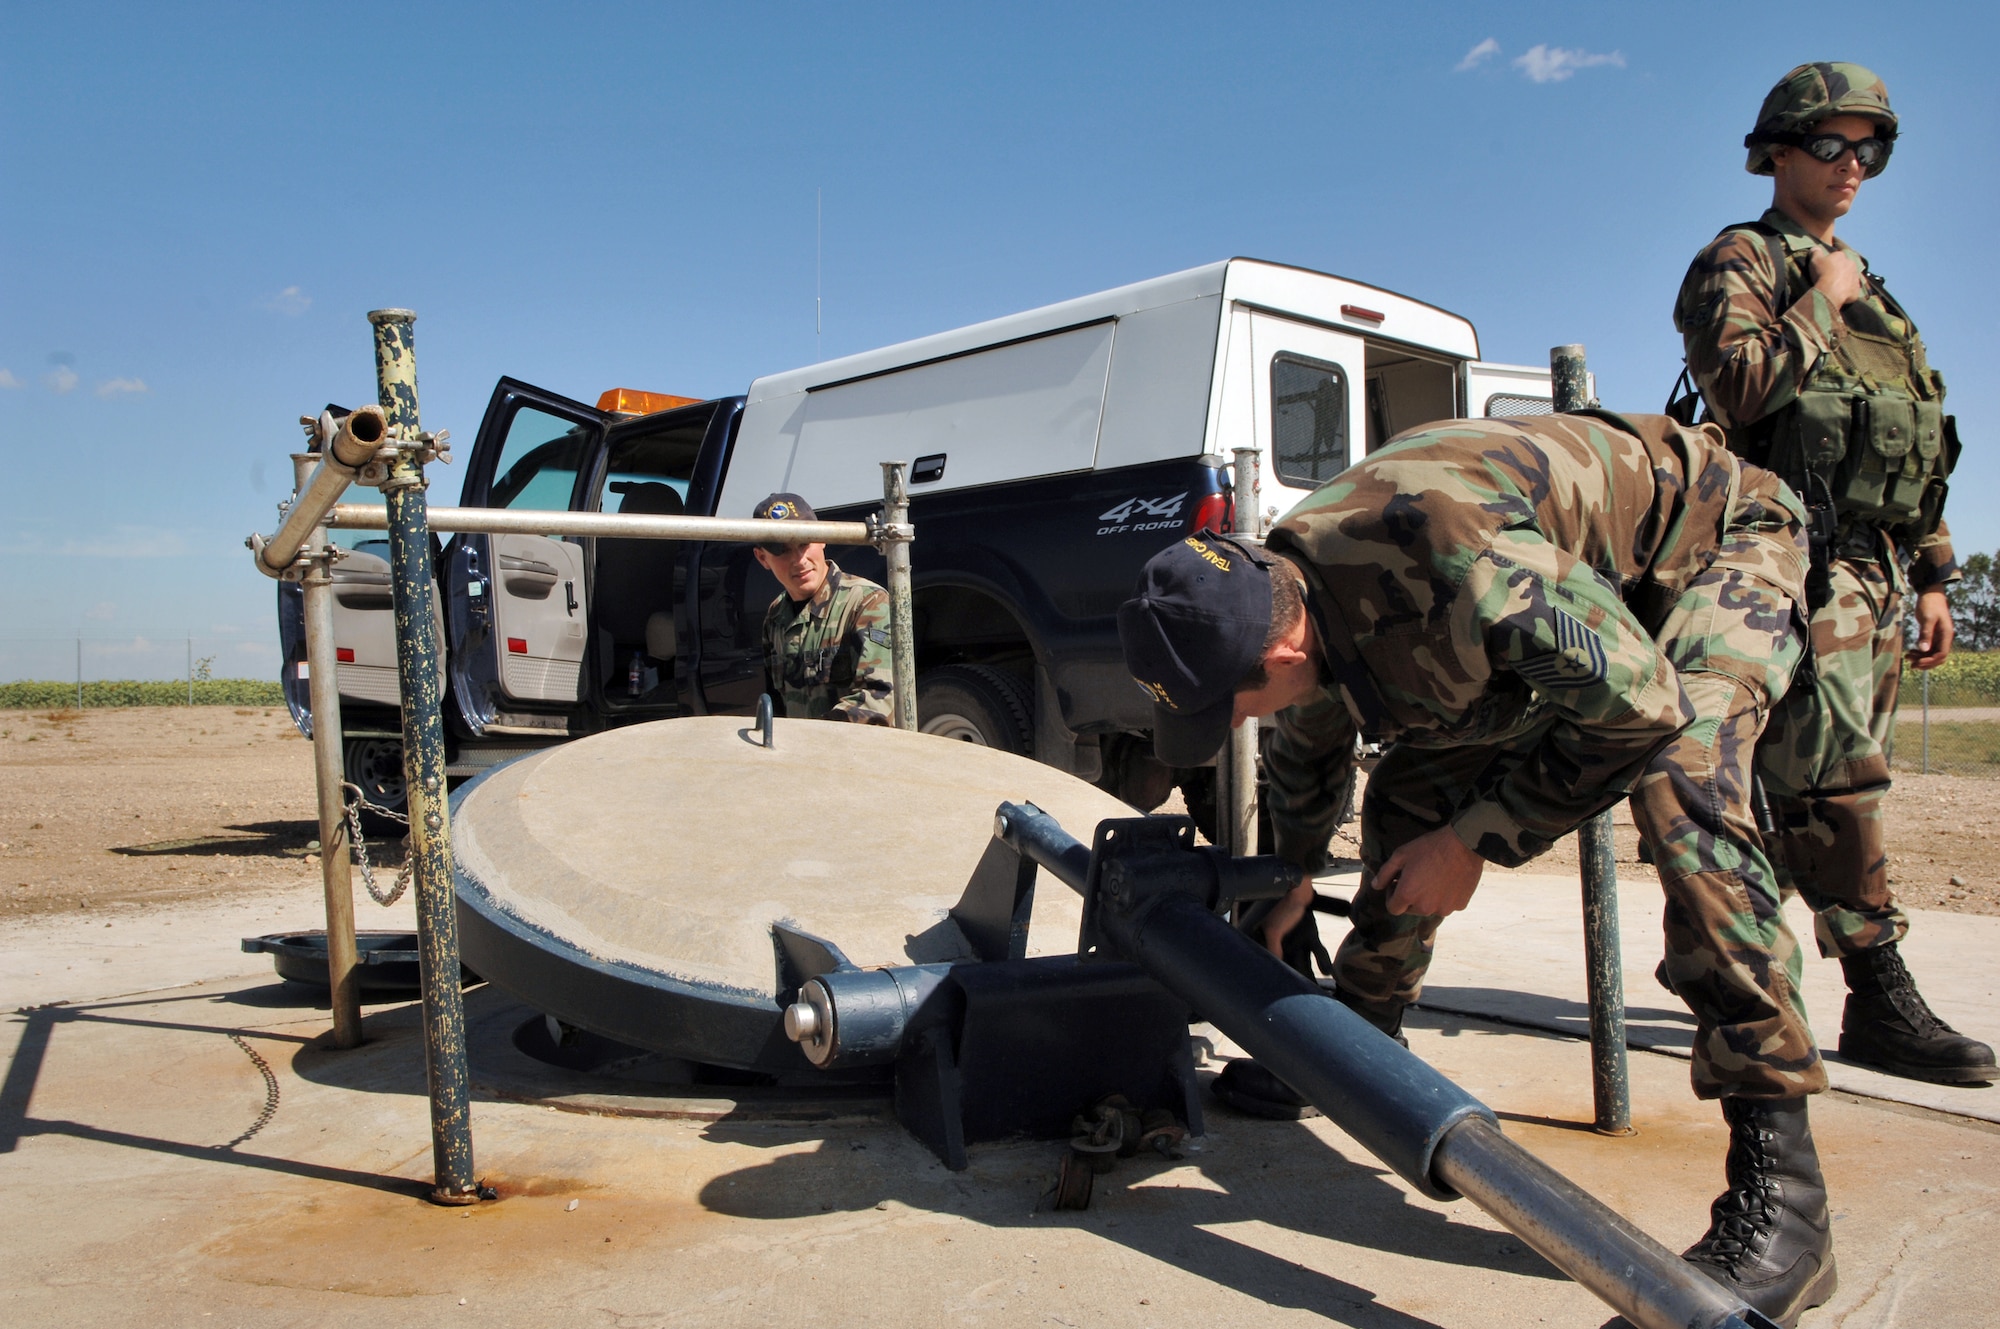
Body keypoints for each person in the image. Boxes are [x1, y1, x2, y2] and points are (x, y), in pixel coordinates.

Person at [1119, 411, 1837, 1325]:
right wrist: (1289, 875)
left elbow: (1644, 706)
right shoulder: (1297, 589)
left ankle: (1789, 1200)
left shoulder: (1463, 567)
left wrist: (1476, 843)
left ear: (1283, 650)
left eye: (1231, 702)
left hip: (1712, 545)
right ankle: (1357, 1049)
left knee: (1681, 779)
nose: (1226, 725)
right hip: (1585, 604)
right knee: (1412, 794)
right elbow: (1306, 759)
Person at [1674, 62, 1993, 1085]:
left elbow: (1916, 444)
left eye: (1869, 148)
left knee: (1833, 783)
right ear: (1774, 150)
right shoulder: (1746, 261)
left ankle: (1739, 973)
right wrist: (1818, 300)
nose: (1851, 165)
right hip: (1787, 561)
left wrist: (1934, 576)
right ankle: (1874, 991)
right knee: (1825, 785)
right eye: (1829, 144)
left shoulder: (1874, 294)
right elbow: (1736, 384)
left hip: (1875, 572)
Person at [751, 492, 895, 724]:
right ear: (762, 558)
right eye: (783, 550)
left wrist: (815, 739)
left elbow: (879, 699)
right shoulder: (776, 616)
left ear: (823, 537)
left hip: (855, 753)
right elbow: (777, 708)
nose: (799, 559)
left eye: (804, 543)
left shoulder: (866, 602)